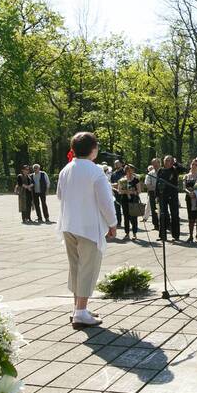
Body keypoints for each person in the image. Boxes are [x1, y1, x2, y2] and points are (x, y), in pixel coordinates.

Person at [57, 132, 117, 328]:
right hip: (89, 226)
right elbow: (105, 202)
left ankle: (78, 308)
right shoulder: (95, 171)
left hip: (68, 224)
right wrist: (112, 223)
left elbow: (59, 195)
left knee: (75, 267)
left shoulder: (66, 169)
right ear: (93, 149)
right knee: (87, 269)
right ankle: (81, 312)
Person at [157, 155, 184, 242]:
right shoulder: (160, 170)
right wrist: (157, 196)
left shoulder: (175, 169)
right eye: (165, 160)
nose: (167, 162)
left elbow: (183, 169)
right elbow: (157, 183)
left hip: (173, 196)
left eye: (169, 160)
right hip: (162, 196)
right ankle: (162, 236)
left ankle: (176, 236)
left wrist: (175, 162)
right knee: (162, 215)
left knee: (175, 215)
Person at [145, 158, 160, 230]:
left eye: (156, 163)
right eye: (153, 163)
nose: (155, 165)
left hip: (162, 194)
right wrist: (156, 188)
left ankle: (165, 224)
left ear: (159, 163)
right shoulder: (150, 174)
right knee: (154, 210)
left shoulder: (163, 172)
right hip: (153, 194)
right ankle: (156, 225)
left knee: (163, 209)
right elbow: (148, 185)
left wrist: (154, 187)